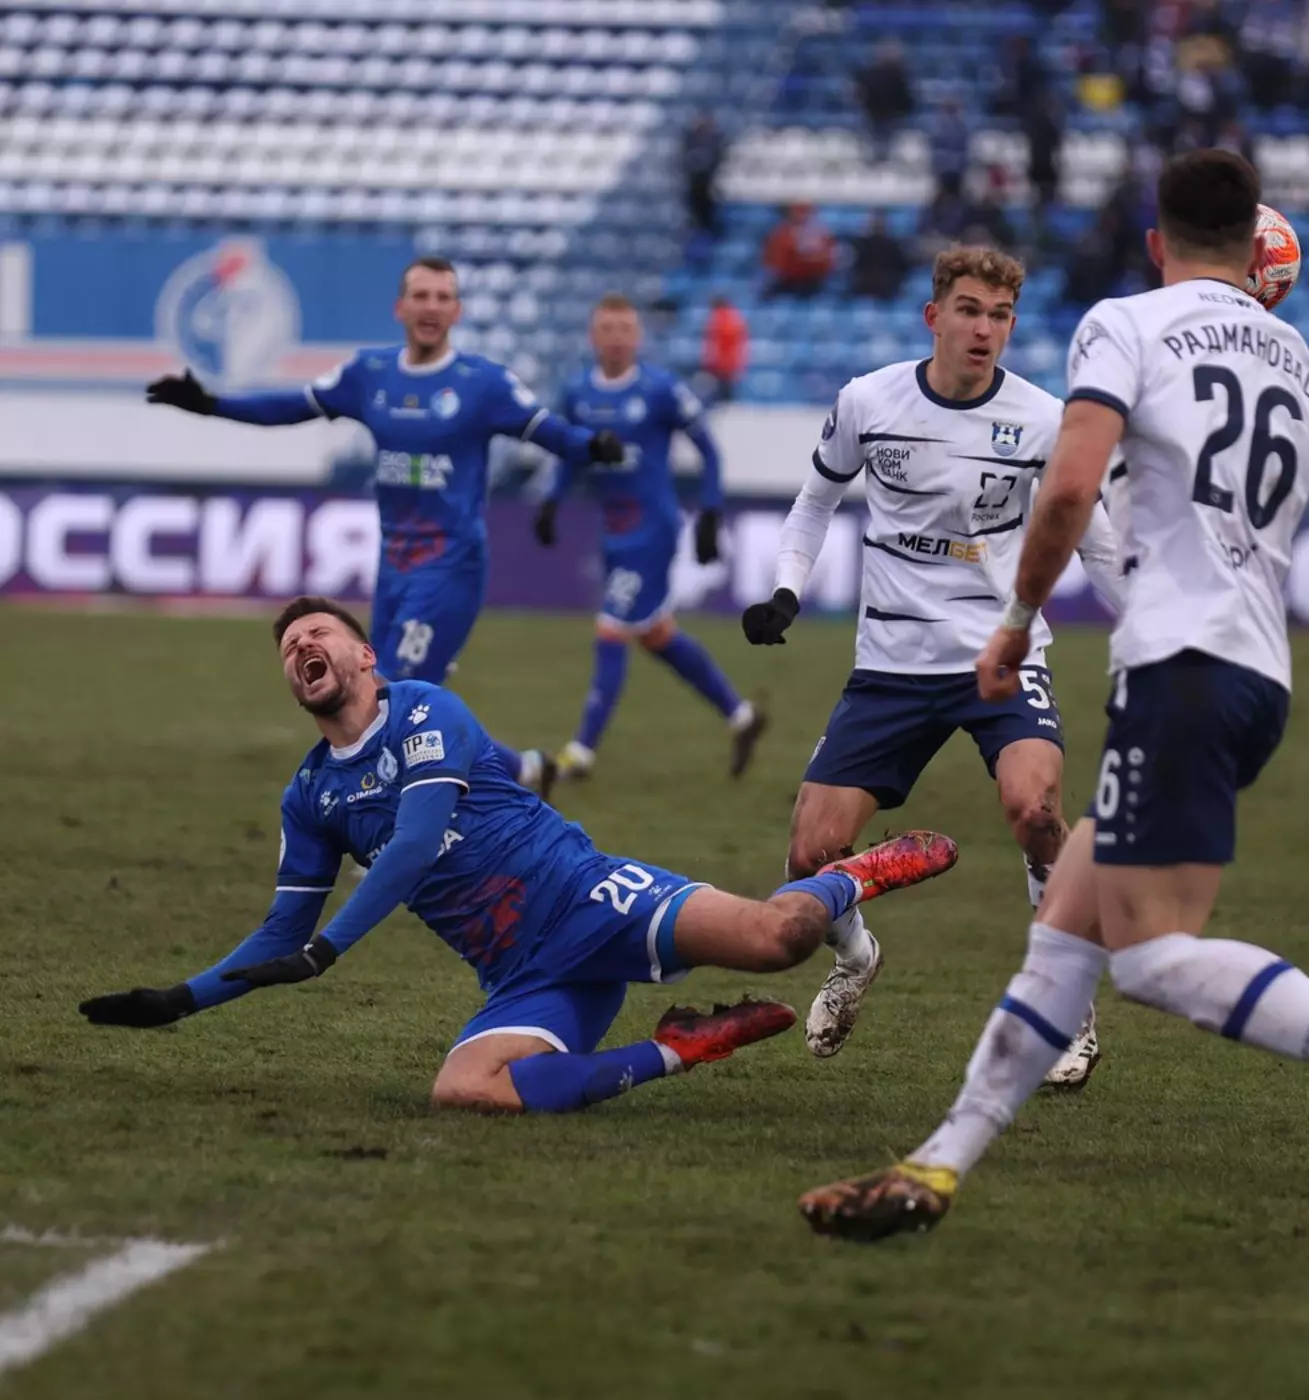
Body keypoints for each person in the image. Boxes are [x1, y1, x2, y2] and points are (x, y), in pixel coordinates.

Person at [799, 148, 1309, 1242]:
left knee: (1156, 959)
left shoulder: (1125, 325)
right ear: (1260, 251)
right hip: (1252, 675)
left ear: (1157, 242)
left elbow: (1070, 487)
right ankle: (934, 1169)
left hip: (1180, 670)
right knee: (1064, 939)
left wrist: (1016, 620)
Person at [77, 597, 958, 1114]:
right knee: (464, 1092)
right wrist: (177, 1001)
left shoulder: (426, 711)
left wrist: (328, 951)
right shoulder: (310, 797)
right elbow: (281, 931)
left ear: (365, 656)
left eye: (317, 633)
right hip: (523, 974)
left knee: (779, 939)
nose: (302, 646)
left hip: (592, 898)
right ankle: (684, 1047)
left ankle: (853, 875)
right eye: (288, 647)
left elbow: (414, 843)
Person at [742, 245, 1124, 1086]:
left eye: (1001, 316)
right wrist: (786, 590)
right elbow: (815, 502)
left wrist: (1152, 638)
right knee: (809, 858)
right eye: (970, 311)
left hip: (999, 654)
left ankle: (1067, 1007)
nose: (985, 329)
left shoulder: (1043, 419)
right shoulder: (868, 401)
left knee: (1035, 811)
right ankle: (856, 957)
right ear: (934, 316)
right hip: (891, 664)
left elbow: (1097, 544)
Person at [144, 257, 624, 795]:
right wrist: (212, 405)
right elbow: (292, 406)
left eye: (443, 297)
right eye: (421, 295)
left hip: (451, 563)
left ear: (458, 311)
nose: (431, 307)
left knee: (385, 690)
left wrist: (590, 446)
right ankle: (522, 770)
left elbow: (543, 429)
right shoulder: (369, 374)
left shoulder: (482, 384)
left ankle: (414, 815)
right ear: (400, 307)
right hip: (394, 564)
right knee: (391, 689)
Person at [535, 294, 767, 782]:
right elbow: (572, 454)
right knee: (656, 634)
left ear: (638, 336)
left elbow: (709, 451)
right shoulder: (577, 392)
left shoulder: (661, 390)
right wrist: (553, 500)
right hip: (613, 528)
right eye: (607, 329)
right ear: (593, 337)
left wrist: (710, 514)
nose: (616, 339)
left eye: (625, 329)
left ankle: (582, 751)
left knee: (611, 629)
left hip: (653, 528)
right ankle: (741, 715)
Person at [763, 204, 837, 299]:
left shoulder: (821, 232)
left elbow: (829, 259)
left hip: (815, 281)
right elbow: (775, 263)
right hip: (787, 281)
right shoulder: (781, 234)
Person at [849, 212, 911, 302]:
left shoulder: (893, 247)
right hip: (862, 290)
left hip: (887, 291)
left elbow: (903, 269)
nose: (877, 227)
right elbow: (854, 269)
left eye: (879, 225)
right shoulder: (861, 246)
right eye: (874, 225)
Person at [701, 294, 749, 402]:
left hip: (722, 365)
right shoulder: (735, 316)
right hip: (730, 364)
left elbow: (714, 344)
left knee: (723, 396)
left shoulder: (720, 318)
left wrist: (710, 362)